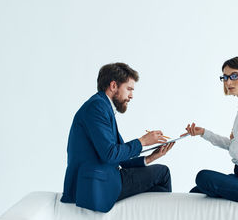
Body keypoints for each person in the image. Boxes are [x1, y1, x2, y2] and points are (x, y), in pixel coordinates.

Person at [61, 62, 174, 212]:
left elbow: (117, 156)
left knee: (159, 171)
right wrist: (142, 141)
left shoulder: (102, 106)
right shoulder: (97, 108)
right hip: (97, 184)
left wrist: (150, 158)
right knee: (162, 174)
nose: (131, 96)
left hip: (103, 177)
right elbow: (110, 154)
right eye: (129, 89)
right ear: (113, 86)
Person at [184, 56, 238, 204]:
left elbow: (237, 152)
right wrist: (204, 133)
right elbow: (236, 147)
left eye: (234, 76)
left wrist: (234, 143)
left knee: (202, 177)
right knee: (195, 193)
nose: (228, 82)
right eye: (225, 77)